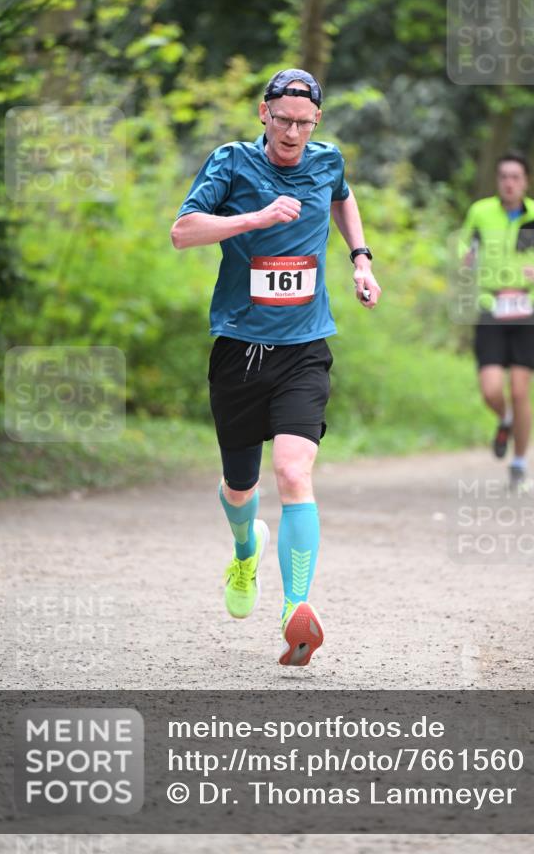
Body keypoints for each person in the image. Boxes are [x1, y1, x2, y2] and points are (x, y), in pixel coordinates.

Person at [170, 68, 381, 665]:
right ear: (263, 113)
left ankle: (296, 611)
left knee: (293, 472)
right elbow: (183, 232)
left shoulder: (326, 159)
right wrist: (254, 219)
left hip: (303, 348)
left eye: (304, 123)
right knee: (242, 489)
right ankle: (245, 551)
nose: (293, 132)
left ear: (317, 122)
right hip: (238, 348)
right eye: (283, 119)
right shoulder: (232, 164)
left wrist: (361, 260)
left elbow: (342, 195)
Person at [458, 151, 534, 487]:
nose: (509, 182)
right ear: (498, 181)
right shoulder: (481, 212)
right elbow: (464, 243)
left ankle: (519, 463)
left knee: (521, 390)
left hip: (528, 307)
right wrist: (464, 256)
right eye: (503, 176)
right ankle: (505, 419)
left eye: (516, 177)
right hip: (491, 305)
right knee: (491, 388)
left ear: (526, 181)